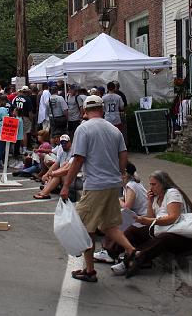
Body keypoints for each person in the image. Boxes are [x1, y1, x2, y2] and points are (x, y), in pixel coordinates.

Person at [60, 95, 137, 283]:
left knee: (84, 226)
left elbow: (78, 159)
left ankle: (89, 270)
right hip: (113, 184)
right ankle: (131, 249)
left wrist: (66, 185)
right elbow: (123, 154)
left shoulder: (83, 129)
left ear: (85, 111)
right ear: (102, 109)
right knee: (108, 225)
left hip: (95, 185)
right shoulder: (113, 130)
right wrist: (118, 174)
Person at [117, 171, 192, 277]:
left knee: (164, 237)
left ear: (163, 184)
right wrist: (149, 202)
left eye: (154, 184)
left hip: (182, 236)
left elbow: (173, 218)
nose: (151, 187)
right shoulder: (156, 197)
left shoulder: (172, 193)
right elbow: (151, 217)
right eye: (150, 184)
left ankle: (134, 259)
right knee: (134, 230)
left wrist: (148, 221)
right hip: (164, 229)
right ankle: (113, 253)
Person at [94, 162, 149, 264]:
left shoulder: (130, 185)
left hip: (141, 218)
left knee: (112, 222)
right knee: (112, 217)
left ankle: (110, 253)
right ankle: (109, 250)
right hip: (139, 216)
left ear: (124, 174)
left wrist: (117, 199)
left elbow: (127, 207)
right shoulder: (133, 184)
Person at [33, 134, 73, 199]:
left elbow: (66, 168)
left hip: (72, 176)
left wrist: (54, 173)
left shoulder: (73, 152)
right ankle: (45, 191)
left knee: (57, 174)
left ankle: (45, 192)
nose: (63, 145)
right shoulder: (62, 150)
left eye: (65, 143)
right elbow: (56, 164)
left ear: (69, 142)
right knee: (54, 173)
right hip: (64, 173)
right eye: (62, 143)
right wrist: (47, 174)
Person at [12, 86, 34, 154]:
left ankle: (20, 148)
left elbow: (14, 107)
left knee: (18, 132)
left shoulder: (16, 98)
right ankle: (24, 148)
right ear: (27, 92)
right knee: (24, 133)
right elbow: (30, 111)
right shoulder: (27, 99)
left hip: (17, 116)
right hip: (25, 117)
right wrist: (31, 120)